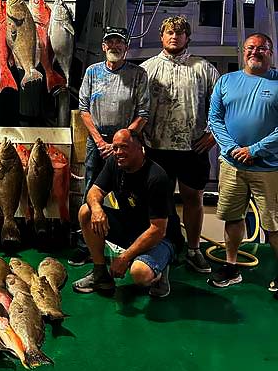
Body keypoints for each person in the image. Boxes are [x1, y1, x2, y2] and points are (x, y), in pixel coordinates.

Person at [140, 16, 219, 274]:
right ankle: (161, 247)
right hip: (155, 148)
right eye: (169, 32)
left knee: (193, 200)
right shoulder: (147, 69)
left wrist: (213, 134)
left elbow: (222, 106)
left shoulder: (204, 69)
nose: (174, 36)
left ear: (187, 37)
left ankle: (194, 251)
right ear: (162, 37)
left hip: (192, 149)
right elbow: (136, 108)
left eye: (180, 32)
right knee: (157, 202)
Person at [70, 26, 149, 265]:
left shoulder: (138, 74)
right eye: (110, 42)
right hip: (99, 141)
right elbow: (84, 109)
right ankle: (86, 246)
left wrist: (122, 142)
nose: (114, 46)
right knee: (91, 190)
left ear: (126, 47)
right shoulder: (92, 72)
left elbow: (143, 113)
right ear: (103, 46)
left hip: (126, 141)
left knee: (130, 193)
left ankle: (136, 244)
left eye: (119, 42)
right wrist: (100, 141)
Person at [72, 129, 183, 298]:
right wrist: (97, 209)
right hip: (129, 227)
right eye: (115, 147)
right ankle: (100, 273)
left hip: (160, 237)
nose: (118, 152)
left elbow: (158, 230)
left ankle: (159, 272)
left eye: (124, 147)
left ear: (140, 148)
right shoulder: (114, 164)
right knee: (86, 211)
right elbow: (94, 191)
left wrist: (124, 258)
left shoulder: (156, 177)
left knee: (140, 273)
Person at [208, 33, 278, 289]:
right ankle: (231, 266)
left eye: (262, 48)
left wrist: (255, 150)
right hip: (232, 165)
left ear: (270, 52)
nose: (255, 52)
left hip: (268, 168)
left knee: (274, 224)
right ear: (243, 50)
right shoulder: (227, 81)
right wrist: (232, 148)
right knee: (233, 217)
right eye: (251, 47)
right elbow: (214, 119)